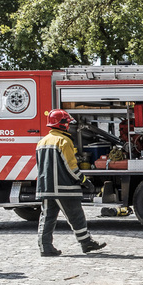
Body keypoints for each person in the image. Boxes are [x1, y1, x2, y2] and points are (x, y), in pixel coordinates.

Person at [35, 109, 106, 257]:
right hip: (64, 187)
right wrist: (84, 181)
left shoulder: (41, 142)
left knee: (47, 217)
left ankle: (45, 247)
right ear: (62, 124)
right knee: (76, 215)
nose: (69, 125)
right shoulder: (64, 141)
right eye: (67, 123)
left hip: (47, 188)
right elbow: (71, 166)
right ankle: (86, 242)